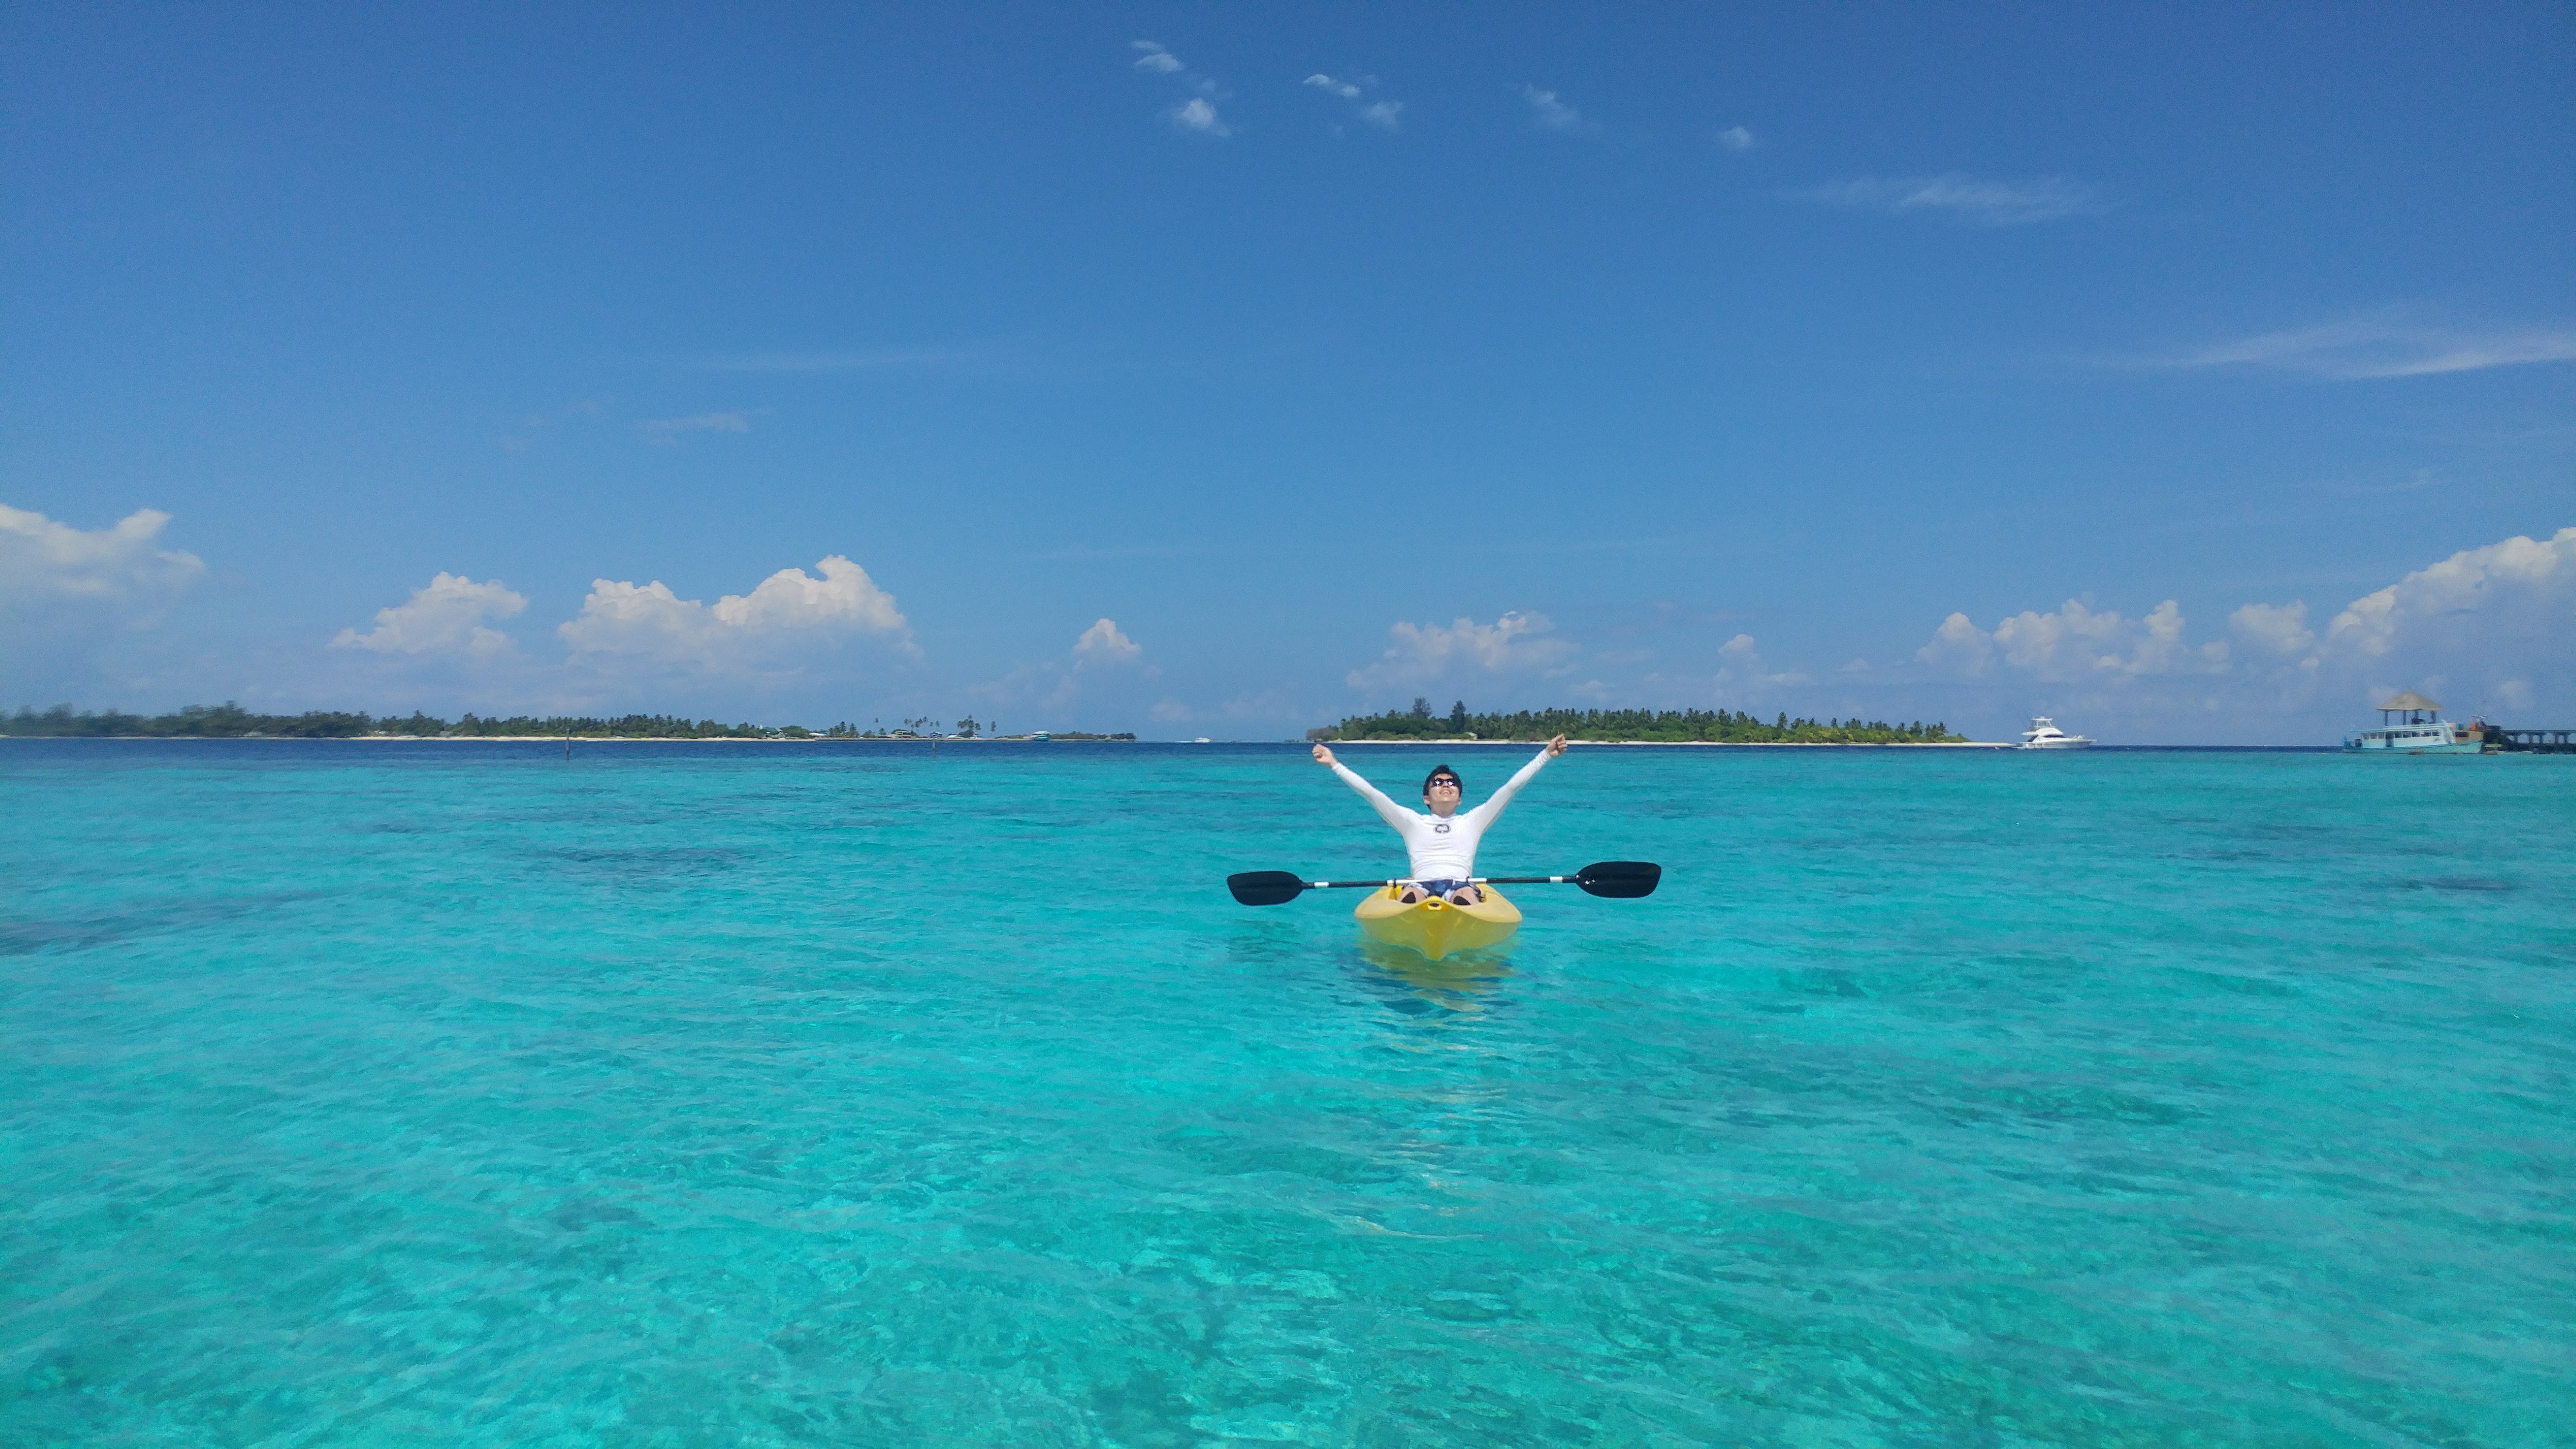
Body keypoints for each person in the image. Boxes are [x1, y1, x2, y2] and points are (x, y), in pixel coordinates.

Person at [1311, 735, 1569, 905]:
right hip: (1418, 886)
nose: (1446, 785)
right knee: (1412, 895)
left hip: (1461, 885)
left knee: (1465, 895)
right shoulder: (1410, 821)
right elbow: (1371, 793)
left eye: (1452, 783)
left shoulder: (1475, 820)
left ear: (1459, 799)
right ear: (1426, 797)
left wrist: (1545, 755)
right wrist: (1335, 764)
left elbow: (1511, 787)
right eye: (1438, 782)